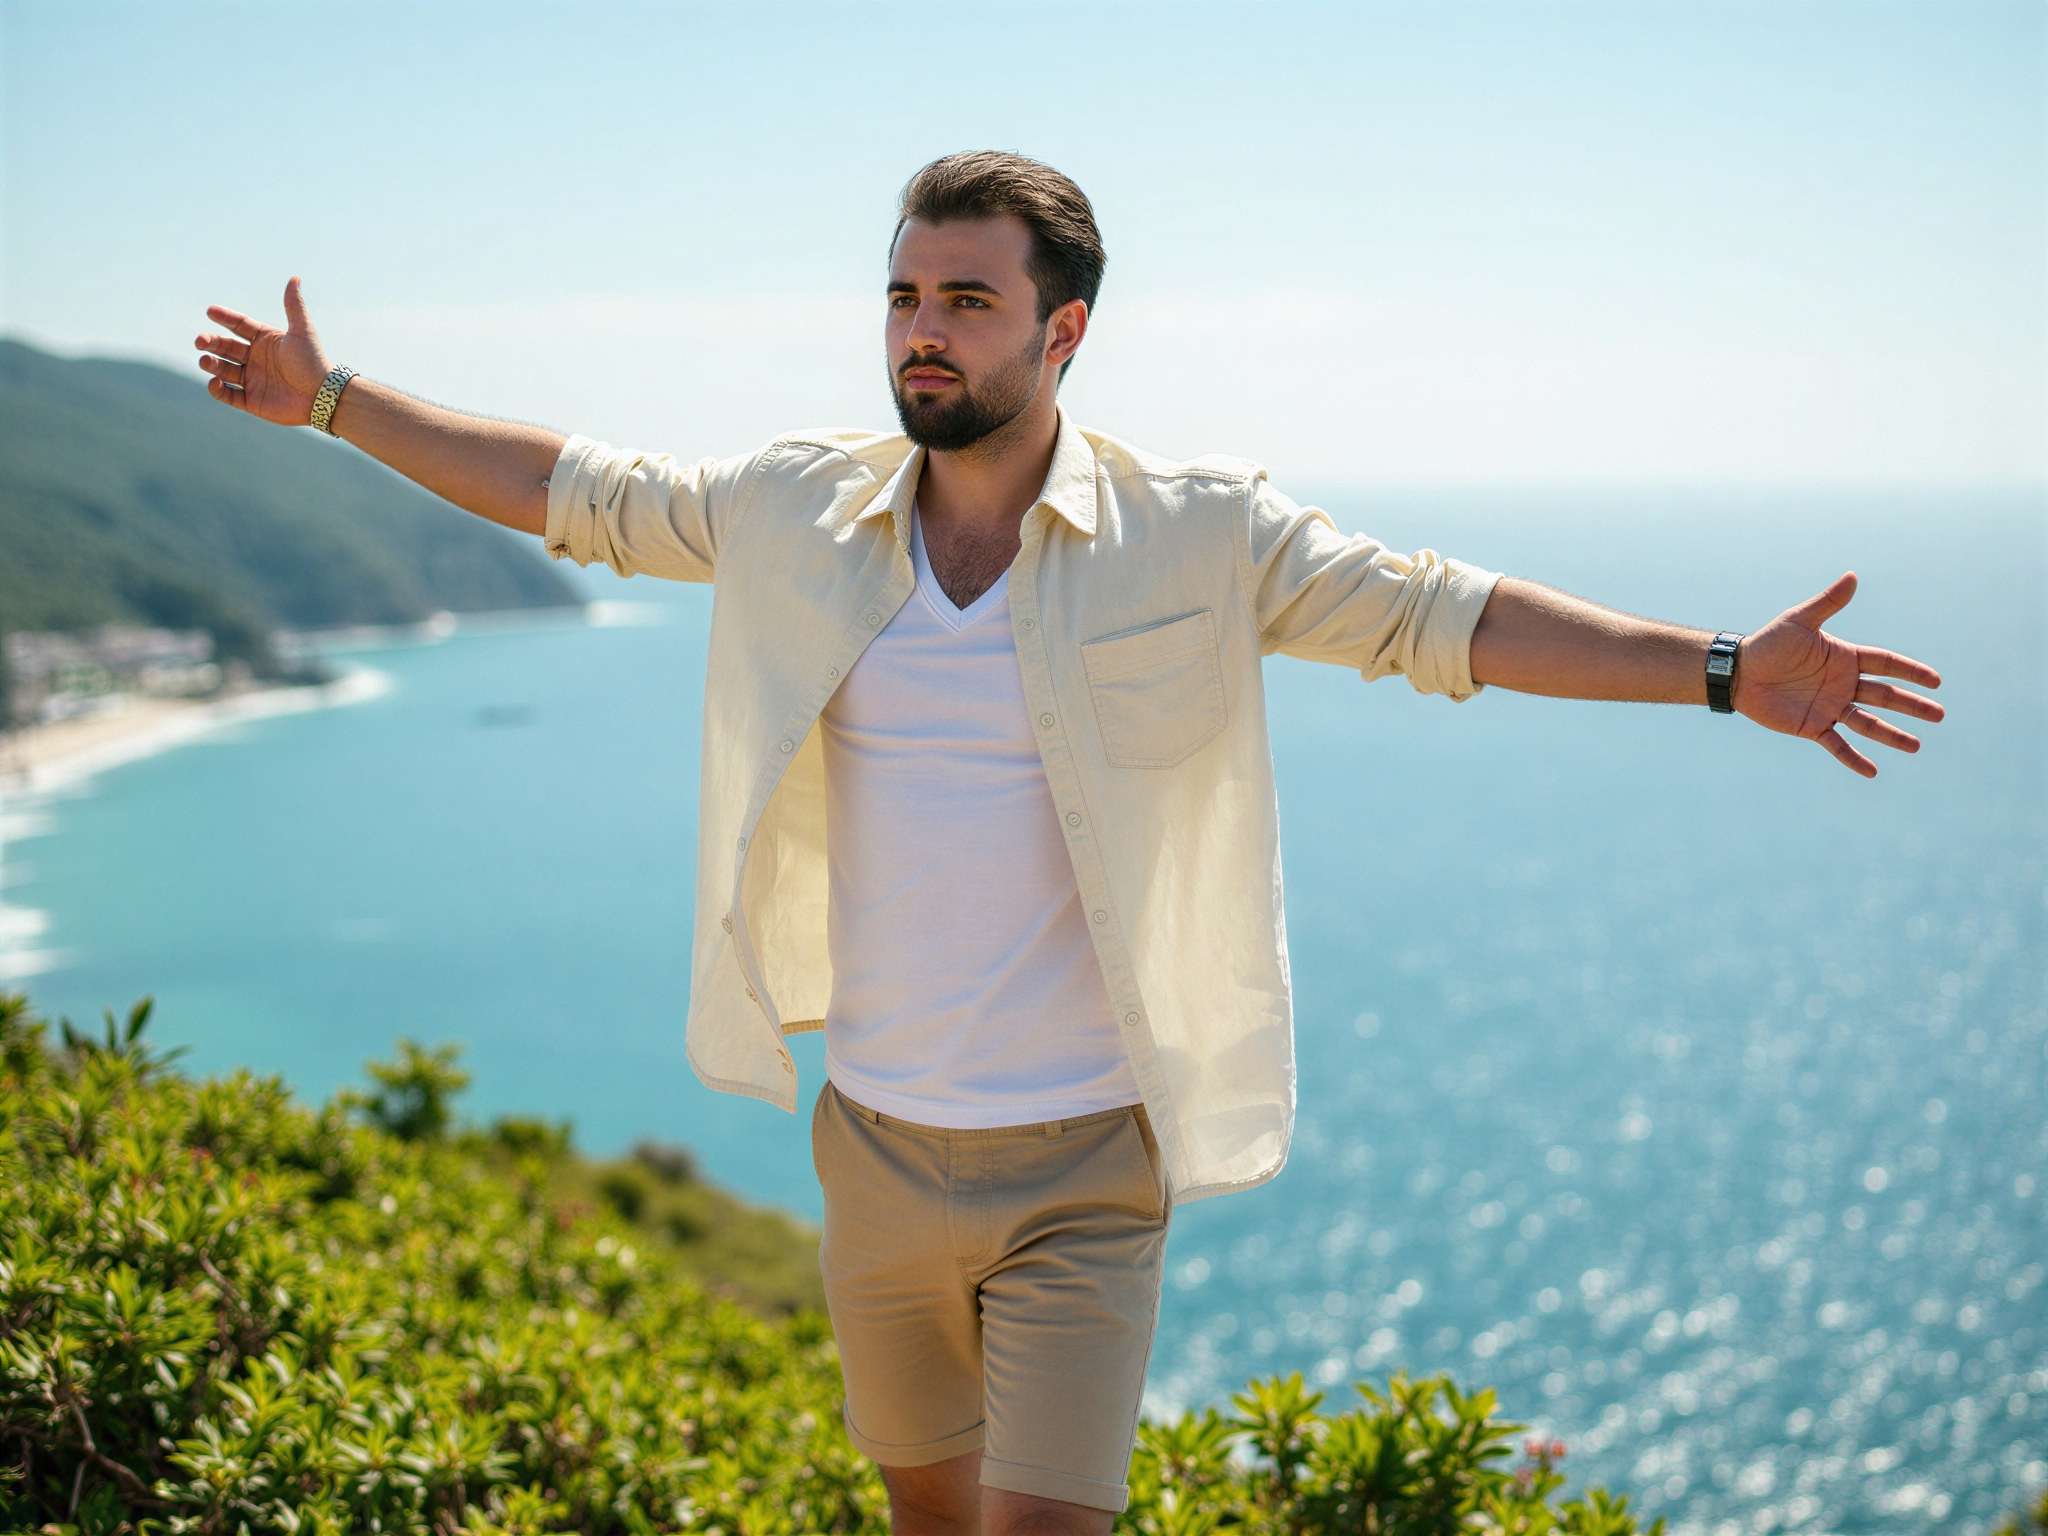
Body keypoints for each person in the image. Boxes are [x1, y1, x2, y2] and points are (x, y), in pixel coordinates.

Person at [195, 150, 1942, 1536]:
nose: (921, 331)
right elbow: (572, 488)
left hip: (1085, 1175)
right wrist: (335, 399)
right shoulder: (792, 508)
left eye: (967, 296)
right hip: (871, 1146)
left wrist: (1719, 672)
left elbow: (1445, 620)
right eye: (901, 296)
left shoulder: (1197, 535)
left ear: (1066, 330)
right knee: (929, 1519)